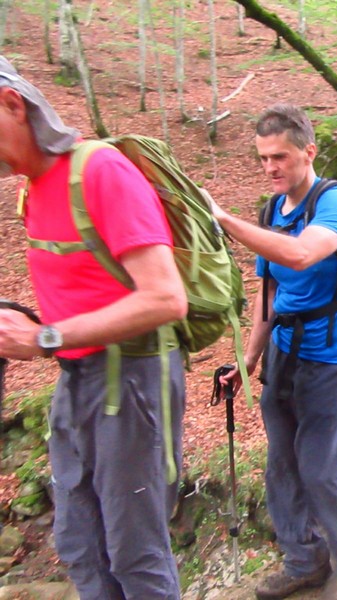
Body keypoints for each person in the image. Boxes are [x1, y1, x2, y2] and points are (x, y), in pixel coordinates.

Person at [0, 56, 188, 598]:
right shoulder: (32, 188)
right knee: (80, 543)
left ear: (14, 104)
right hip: (75, 379)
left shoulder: (100, 171)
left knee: (135, 551)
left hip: (133, 379)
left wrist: (42, 338)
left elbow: (165, 297)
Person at [212, 104, 337, 600]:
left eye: (280, 156)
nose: (271, 167)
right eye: (263, 158)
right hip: (283, 354)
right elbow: (269, 293)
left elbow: (300, 254)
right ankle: (303, 559)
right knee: (281, 463)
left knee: (320, 466)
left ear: (309, 152)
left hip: (333, 358)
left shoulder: (334, 202)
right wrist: (248, 359)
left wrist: (222, 219)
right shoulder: (270, 212)